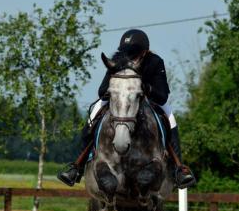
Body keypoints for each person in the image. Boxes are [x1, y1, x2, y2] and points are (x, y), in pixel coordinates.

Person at [57, 29, 196, 189]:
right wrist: (116, 91)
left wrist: (145, 88)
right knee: (92, 116)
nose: (130, 55)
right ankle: (77, 166)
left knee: (170, 118)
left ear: (144, 52)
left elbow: (162, 95)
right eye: (127, 52)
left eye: (133, 52)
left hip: (149, 101)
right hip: (119, 101)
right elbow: (102, 91)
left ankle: (178, 169)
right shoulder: (117, 61)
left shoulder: (155, 62)